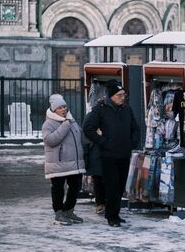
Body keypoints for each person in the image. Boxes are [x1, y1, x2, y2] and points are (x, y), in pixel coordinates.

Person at [83, 80, 140, 227]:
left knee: (120, 186)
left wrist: (132, 142)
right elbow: (88, 128)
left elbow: (135, 128)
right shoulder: (101, 108)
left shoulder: (127, 109)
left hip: (124, 154)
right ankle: (111, 216)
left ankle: (116, 213)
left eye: (123, 94)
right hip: (108, 155)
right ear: (112, 96)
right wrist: (103, 142)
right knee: (112, 186)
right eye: (120, 95)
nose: (123, 97)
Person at [42, 94, 86, 226]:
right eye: (60, 107)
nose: (63, 110)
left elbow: (80, 136)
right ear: (54, 109)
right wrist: (65, 125)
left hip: (74, 163)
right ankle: (59, 214)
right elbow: (50, 140)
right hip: (58, 163)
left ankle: (68, 211)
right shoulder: (48, 123)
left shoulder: (71, 120)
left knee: (76, 186)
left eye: (65, 107)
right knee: (58, 188)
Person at [82, 110, 106, 215]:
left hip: (101, 151)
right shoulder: (92, 115)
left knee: (101, 179)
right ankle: (100, 203)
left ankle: (101, 203)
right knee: (98, 178)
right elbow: (86, 133)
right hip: (96, 151)